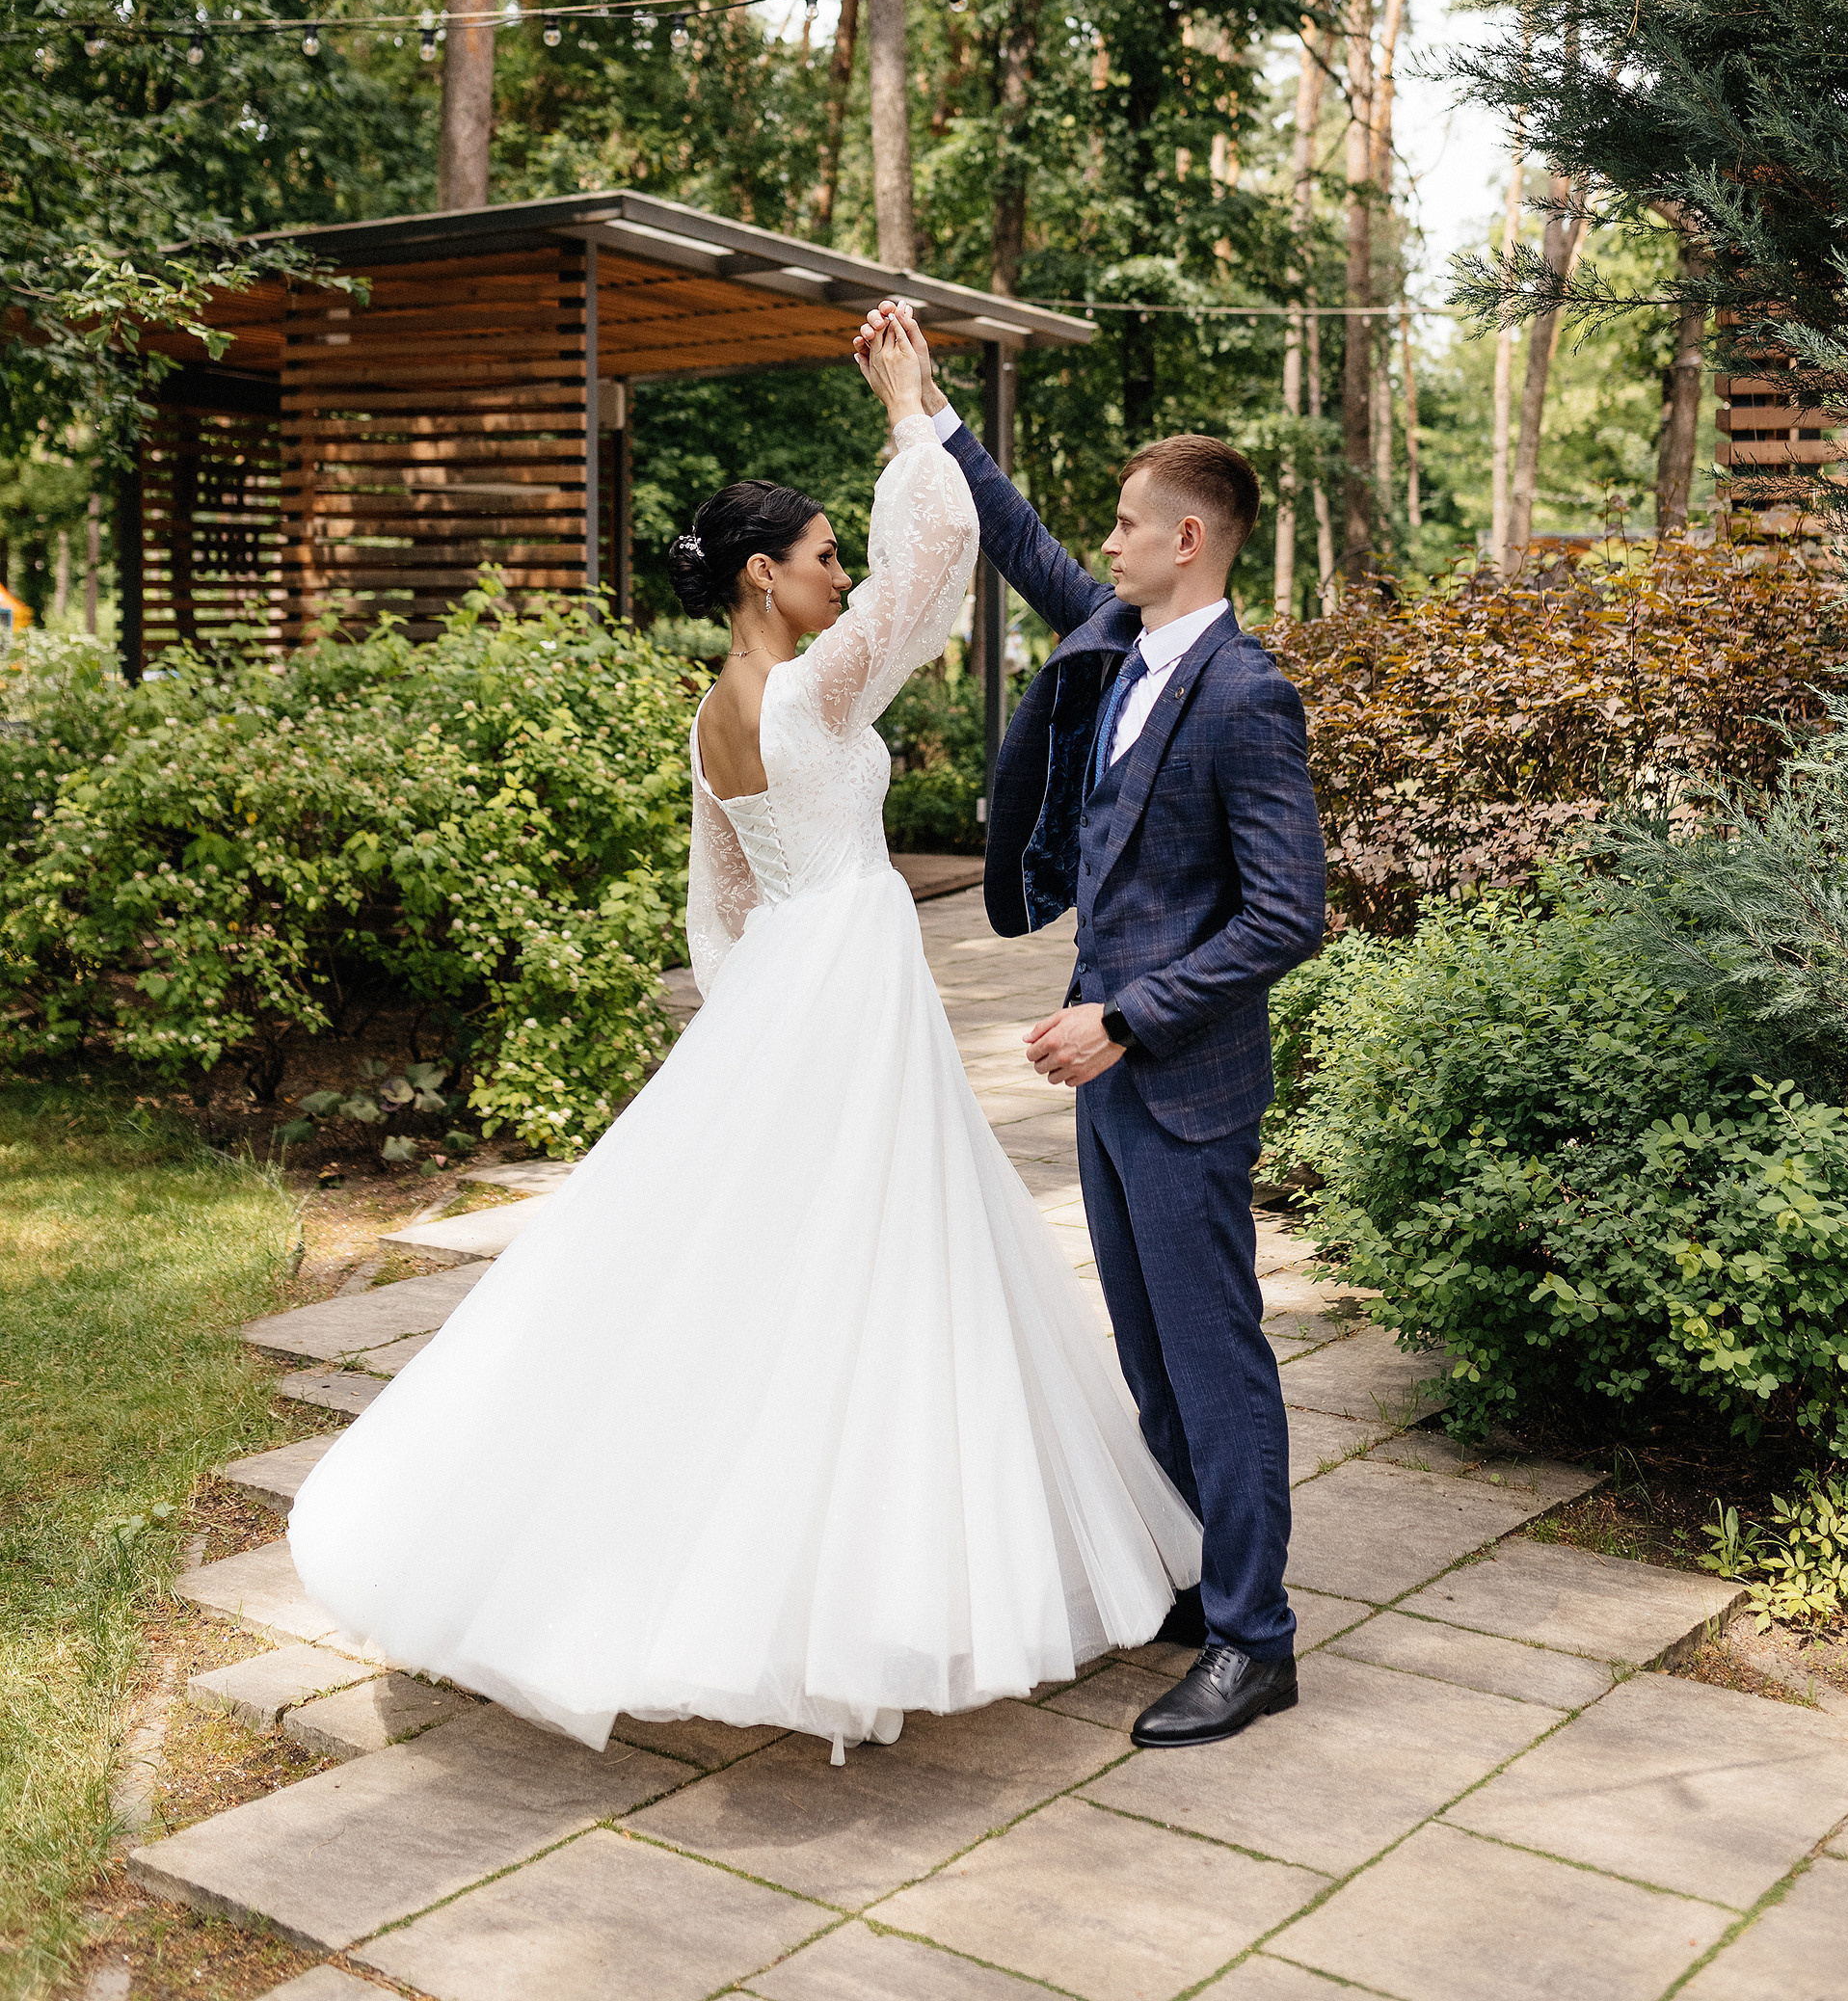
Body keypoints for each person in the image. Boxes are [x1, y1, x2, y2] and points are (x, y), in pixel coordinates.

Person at [287, 312, 1199, 1765]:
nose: (843, 576)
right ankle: (838, 1586)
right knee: (872, 1263)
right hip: (841, 981)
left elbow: (720, 909)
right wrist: (911, 411)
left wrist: (759, 1019)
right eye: (823, 556)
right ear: (765, 577)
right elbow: (938, 566)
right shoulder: (813, 687)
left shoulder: (718, 715)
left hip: (796, 978)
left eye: (842, 554)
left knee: (781, 1261)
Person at [854, 303, 1326, 1751]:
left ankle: (1257, 1639)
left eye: (1129, 525)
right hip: (1109, 1082)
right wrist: (922, 409)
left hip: (1177, 1078)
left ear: (1191, 539)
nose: (1106, 544)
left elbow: (1286, 916)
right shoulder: (1121, 640)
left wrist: (1123, 1012)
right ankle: (1202, 1575)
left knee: (1216, 1354)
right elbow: (1018, 539)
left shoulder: (1247, 695)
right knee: (1146, 1353)